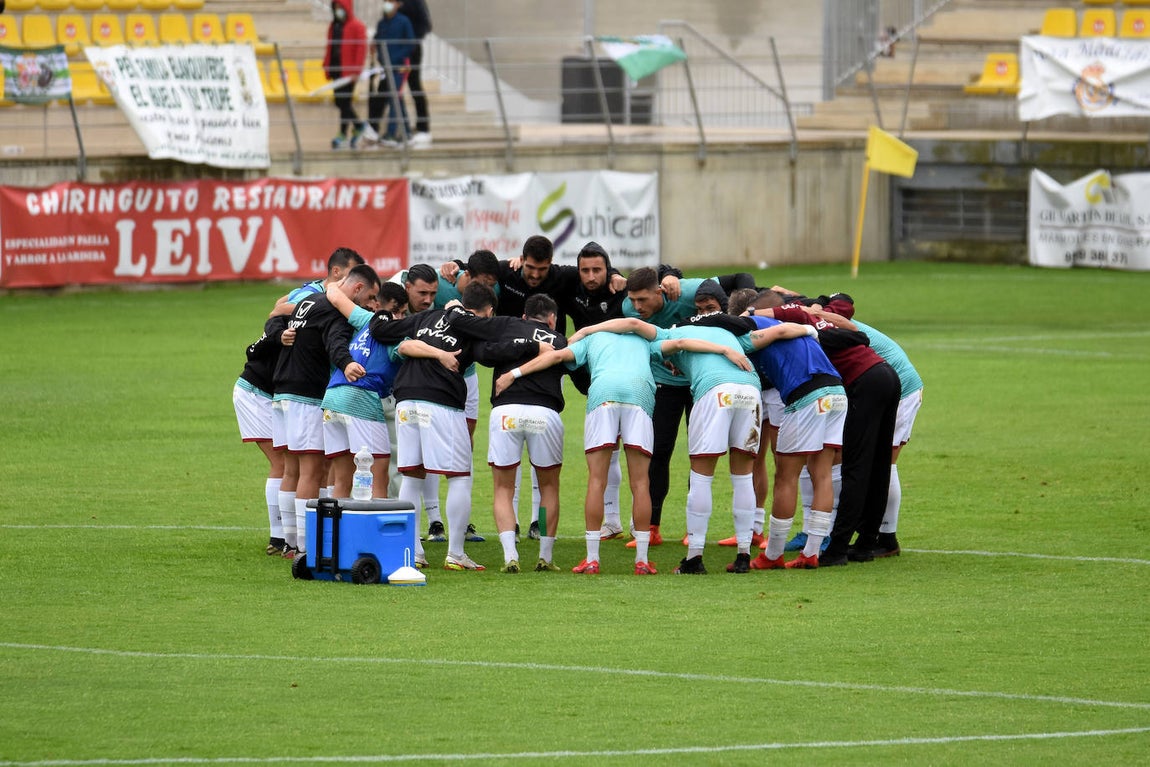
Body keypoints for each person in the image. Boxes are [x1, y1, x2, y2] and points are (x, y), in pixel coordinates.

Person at [493, 319, 661, 575]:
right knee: (641, 483)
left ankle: (592, 559)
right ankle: (642, 560)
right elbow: (681, 343)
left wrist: (513, 374)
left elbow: (556, 357)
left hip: (602, 396)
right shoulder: (648, 339)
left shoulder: (590, 339)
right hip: (639, 396)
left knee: (596, 480)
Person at [369, 282, 514, 571]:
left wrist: (381, 313)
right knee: (459, 476)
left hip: (406, 400)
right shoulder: (476, 326)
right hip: (441, 401)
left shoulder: (426, 317)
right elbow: (493, 351)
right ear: (488, 311)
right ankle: (456, 553)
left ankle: (414, 551)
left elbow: (382, 331)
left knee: (412, 476)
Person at [756, 291, 901, 567]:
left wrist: (749, 316)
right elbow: (854, 326)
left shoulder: (796, 321)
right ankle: (867, 542)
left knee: (855, 467)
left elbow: (843, 315)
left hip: (864, 381)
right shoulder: (819, 318)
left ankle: (837, 547)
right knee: (878, 463)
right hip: (884, 374)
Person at [272, 262, 381, 557]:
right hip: (305, 395)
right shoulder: (335, 311)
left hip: (283, 389)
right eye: (371, 298)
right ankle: (305, 548)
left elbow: (276, 317)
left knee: (292, 469)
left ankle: (288, 541)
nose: (372, 306)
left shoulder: (309, 299)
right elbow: (335, 343)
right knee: (312, 470)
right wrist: (346, 363)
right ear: (357, 288)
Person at [473, 294, 565, 573]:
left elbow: (483, 349)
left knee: (503, 488)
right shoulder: (559, 339)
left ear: (524, 317)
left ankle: (510, 555)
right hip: (545, 415)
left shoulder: (508, 326)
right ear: (552, 319)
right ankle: (545, 557)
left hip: (506, 413)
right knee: (548, 487)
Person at [232, 310, 290, 555]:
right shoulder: (302, 314)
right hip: (256, 394)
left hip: (268, 394)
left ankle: (285, 535)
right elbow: (276, 311)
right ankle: (278, 538)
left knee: (290, 463)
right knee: (282, 462)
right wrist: (278, 335)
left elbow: (251, 349)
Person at [363, 0, 414, 148]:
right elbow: (378, 39)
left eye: (391, 1)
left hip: (400, 67)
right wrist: (375, 47)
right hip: (386, 68)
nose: (388, 4)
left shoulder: (404, 22)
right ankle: (406, 133)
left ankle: (391, 133)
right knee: (397, 98)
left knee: (394, 96)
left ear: (398, 4)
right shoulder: (382, 23)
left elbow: (410, 44)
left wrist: (396, 59)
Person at [324, 0, 369, 150]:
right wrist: (327, 66)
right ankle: (354, 127)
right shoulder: (334, 26)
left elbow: (361, 49)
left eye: (340, 7)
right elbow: (330, 47)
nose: (338, 10)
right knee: (341, 102)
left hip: (349, 72)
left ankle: (349, 130)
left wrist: (357, 70)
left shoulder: (357, 26)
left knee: (344, 102)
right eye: (335, 7)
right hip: (336, 69)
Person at [401, 0, 432, 146]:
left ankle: (423, 127)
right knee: (393, 86)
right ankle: (399, 126)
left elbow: (426, 25)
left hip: (412, 49)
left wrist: (411, 39)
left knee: (414, 85)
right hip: (396, 50)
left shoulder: (415, 2)